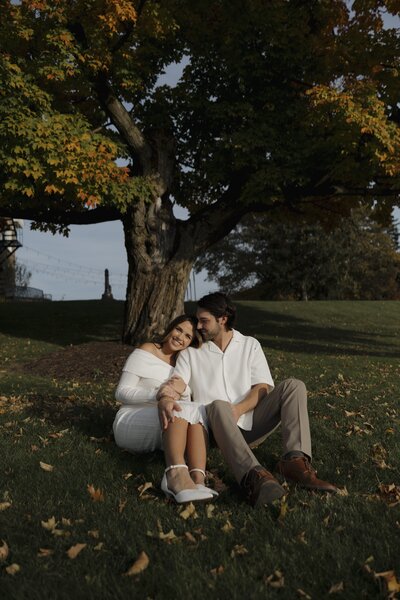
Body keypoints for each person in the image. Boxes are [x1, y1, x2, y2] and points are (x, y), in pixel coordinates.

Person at [157, 293, 337, 508]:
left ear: (222, 319)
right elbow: (177, 382)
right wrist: (166, 397)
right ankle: (254, 477)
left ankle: (294, 462)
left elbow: (262, 387)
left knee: (294, 385)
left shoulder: (249, 344)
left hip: (251, 423)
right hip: (214, 428)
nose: (199, 326)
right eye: (198, 321)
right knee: (218, 405)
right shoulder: (192, 353)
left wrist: (239, 410)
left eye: (204, 321)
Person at [113, 315, 216, 503]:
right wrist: (158, 395)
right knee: (179, 409)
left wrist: (184, 389)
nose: (180, 337)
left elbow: (187, 397)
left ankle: (197, 480)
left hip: (165, 420)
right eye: (179, 330)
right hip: (131, 418)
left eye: (187, 336)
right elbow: (121, 392)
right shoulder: (147, 350)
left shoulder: (182, 364)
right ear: (170, 328)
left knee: (197, 408)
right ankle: (174, 476)